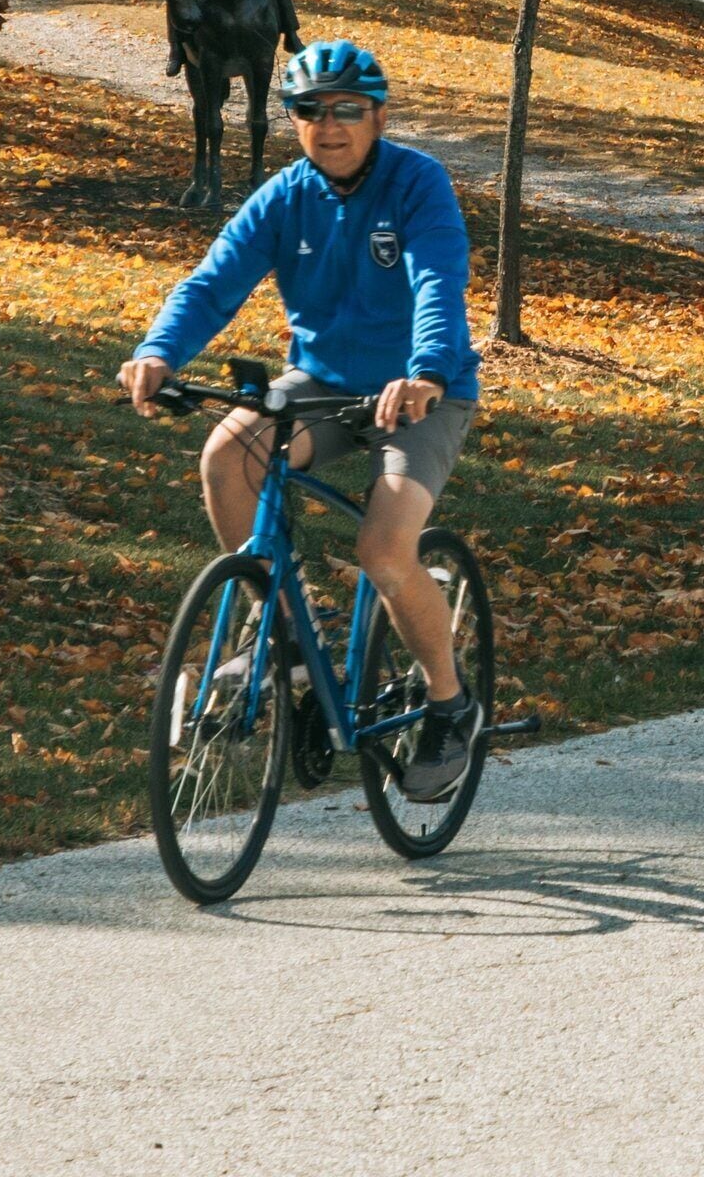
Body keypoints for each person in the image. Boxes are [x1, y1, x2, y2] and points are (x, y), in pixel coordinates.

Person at [119, 41, 487, 800]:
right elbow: (214, 282)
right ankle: (284, 630)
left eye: (348, 109)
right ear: (293, 121)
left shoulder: (417, 183)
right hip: (322, 383)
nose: (329, 125)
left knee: (384, 552)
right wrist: (158, 352)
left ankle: (450, 705)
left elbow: (436, 285)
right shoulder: (285, 196)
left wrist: (423, 373)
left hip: (424, 391)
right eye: (309, 111)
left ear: (378, 115)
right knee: (228, 456)